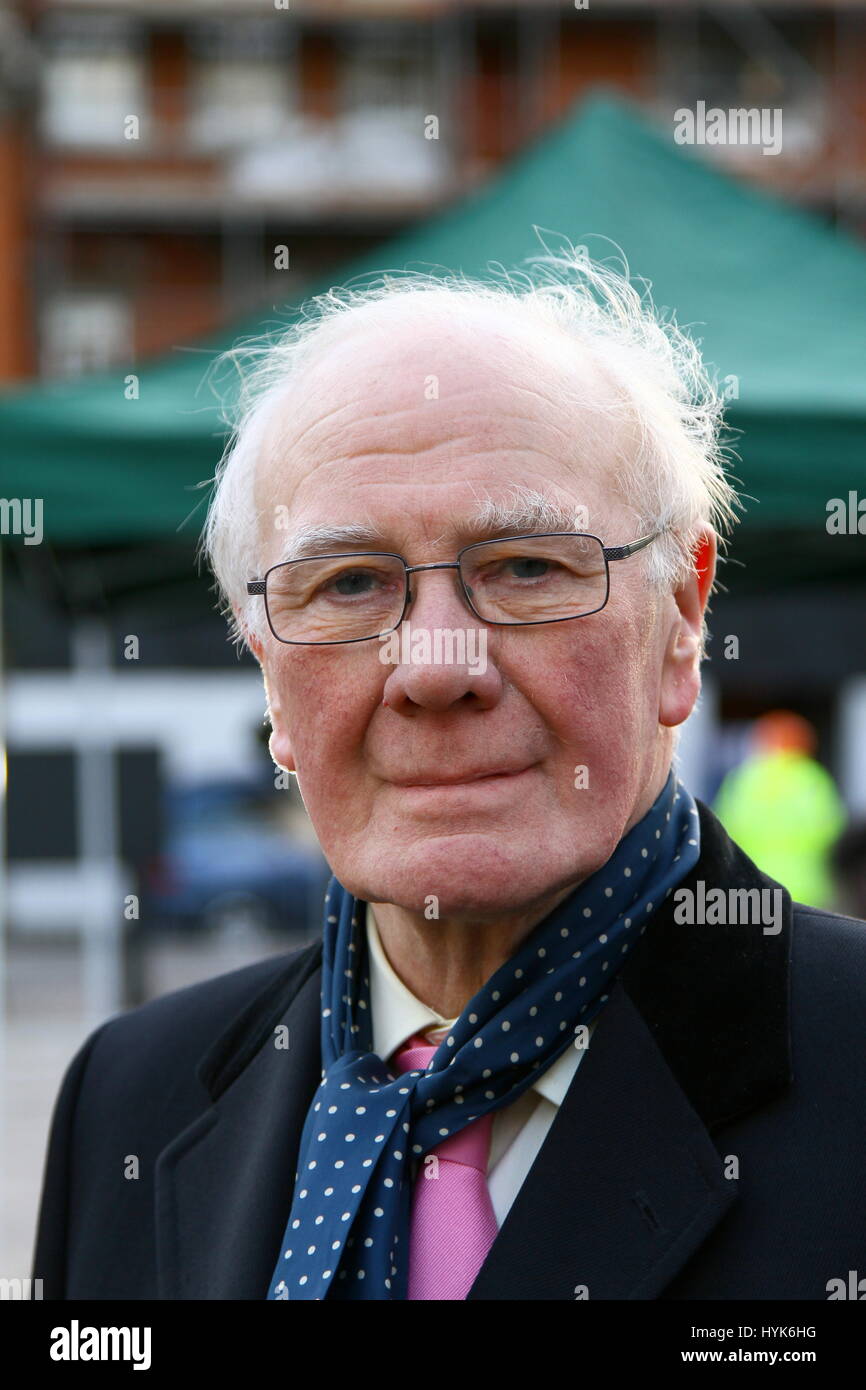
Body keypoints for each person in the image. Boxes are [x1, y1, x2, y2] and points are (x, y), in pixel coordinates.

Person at [31, 246, 866, 1300]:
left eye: (525, 566)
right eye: (347, 583)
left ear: (681, 621)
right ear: (269, 674)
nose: (435, 666)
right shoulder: (129, 1099)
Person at [713, 710, 847, 908]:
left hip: (754, 886)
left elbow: (722, 829)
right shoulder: (812, 779)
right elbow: (832, 830)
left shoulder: (744, 780)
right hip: (807, 889)